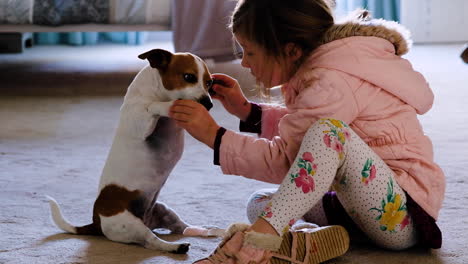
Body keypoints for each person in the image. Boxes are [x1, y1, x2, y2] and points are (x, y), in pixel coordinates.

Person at [169, 0, 445, 263]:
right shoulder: (325, 69)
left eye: (249, 52)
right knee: (261, 204)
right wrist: (248, 112)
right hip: (356, 210)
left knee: (329, 134)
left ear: (290, 50)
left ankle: (261, 242)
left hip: (400, 215)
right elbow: (302, 130)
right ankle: (309, 243)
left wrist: (214, 136)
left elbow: (290, 161)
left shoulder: (332, 78)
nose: (244, 63)